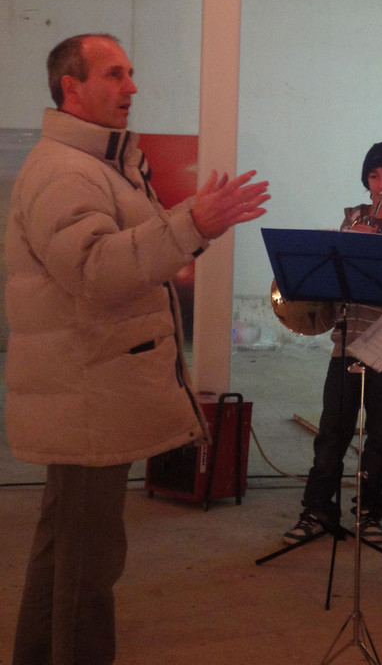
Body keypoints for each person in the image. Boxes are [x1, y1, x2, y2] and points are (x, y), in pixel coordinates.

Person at [4, 33, 270, 665]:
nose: (131, 86)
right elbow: (96, 269)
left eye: (130, 72)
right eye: (114, 74)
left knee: (62, 552)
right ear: (71, 87)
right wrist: (191, 225)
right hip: (86, 395)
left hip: (86, 389)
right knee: (86, 569)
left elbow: (121, 251)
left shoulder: (97, 163)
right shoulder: (66, 171)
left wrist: (185, 228)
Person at [283, 141, 382, 545]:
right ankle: (317, 510)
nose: (381, 185)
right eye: (374, 176)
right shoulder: (351, 218)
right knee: (332, 431)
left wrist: (373, 245)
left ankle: (368, 511)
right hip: (347, 340)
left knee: (380, 435)